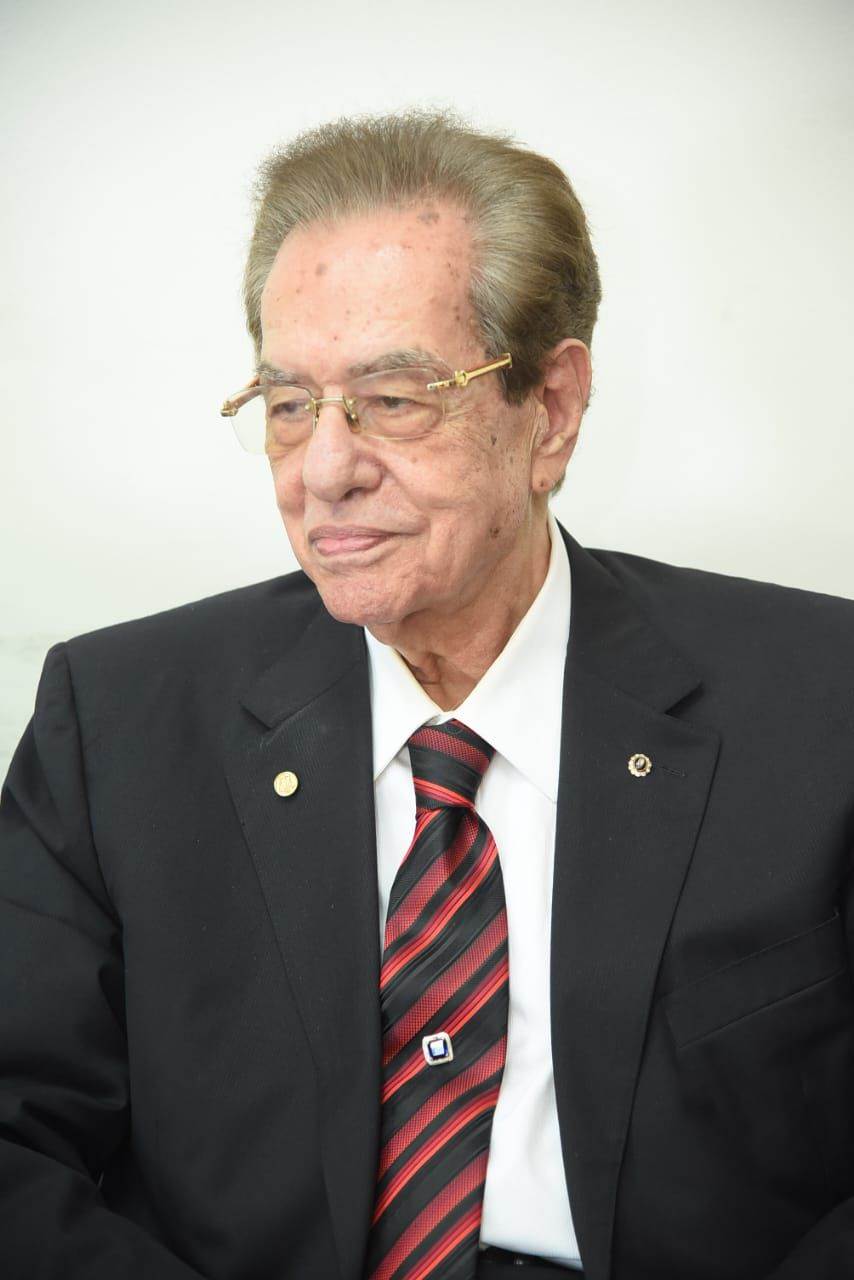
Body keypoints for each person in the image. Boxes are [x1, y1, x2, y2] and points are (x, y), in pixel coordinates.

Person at [1, 108, 853, 1280]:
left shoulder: (820, 702)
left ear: (550, 408)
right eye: (288, 404)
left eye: (394, 397)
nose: (324, 469)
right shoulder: (116, 722)